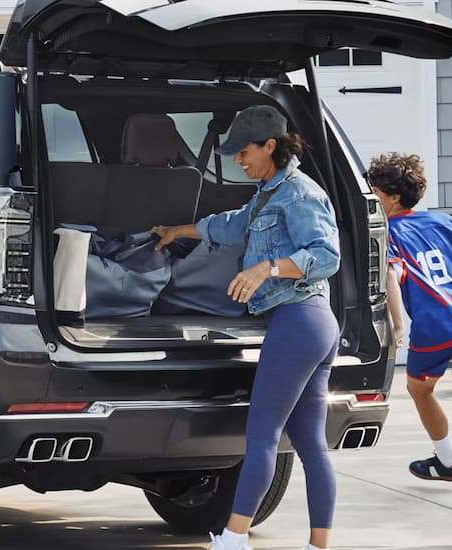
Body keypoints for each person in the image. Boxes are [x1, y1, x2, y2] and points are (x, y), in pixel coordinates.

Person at [153, 105, 341, 550]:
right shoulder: (267, 194)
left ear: (270, 146)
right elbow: (232, 226)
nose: (238, 160)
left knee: (261, 436)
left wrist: (267, 269)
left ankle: (233, 540)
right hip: (310, 322)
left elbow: (327, 255)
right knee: (311, 443)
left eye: (244, 152)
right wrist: (177, 231)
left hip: (299, 318)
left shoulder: (299, 194)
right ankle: (320, 546)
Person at [368, 153, 452, 482]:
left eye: (374, 191)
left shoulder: (388, 232)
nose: (371, 198)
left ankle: (448, 461)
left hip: (433, 325)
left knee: (419, 390)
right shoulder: (445, 222)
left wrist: (397, 323)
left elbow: (391, 274)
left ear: (393, 197)